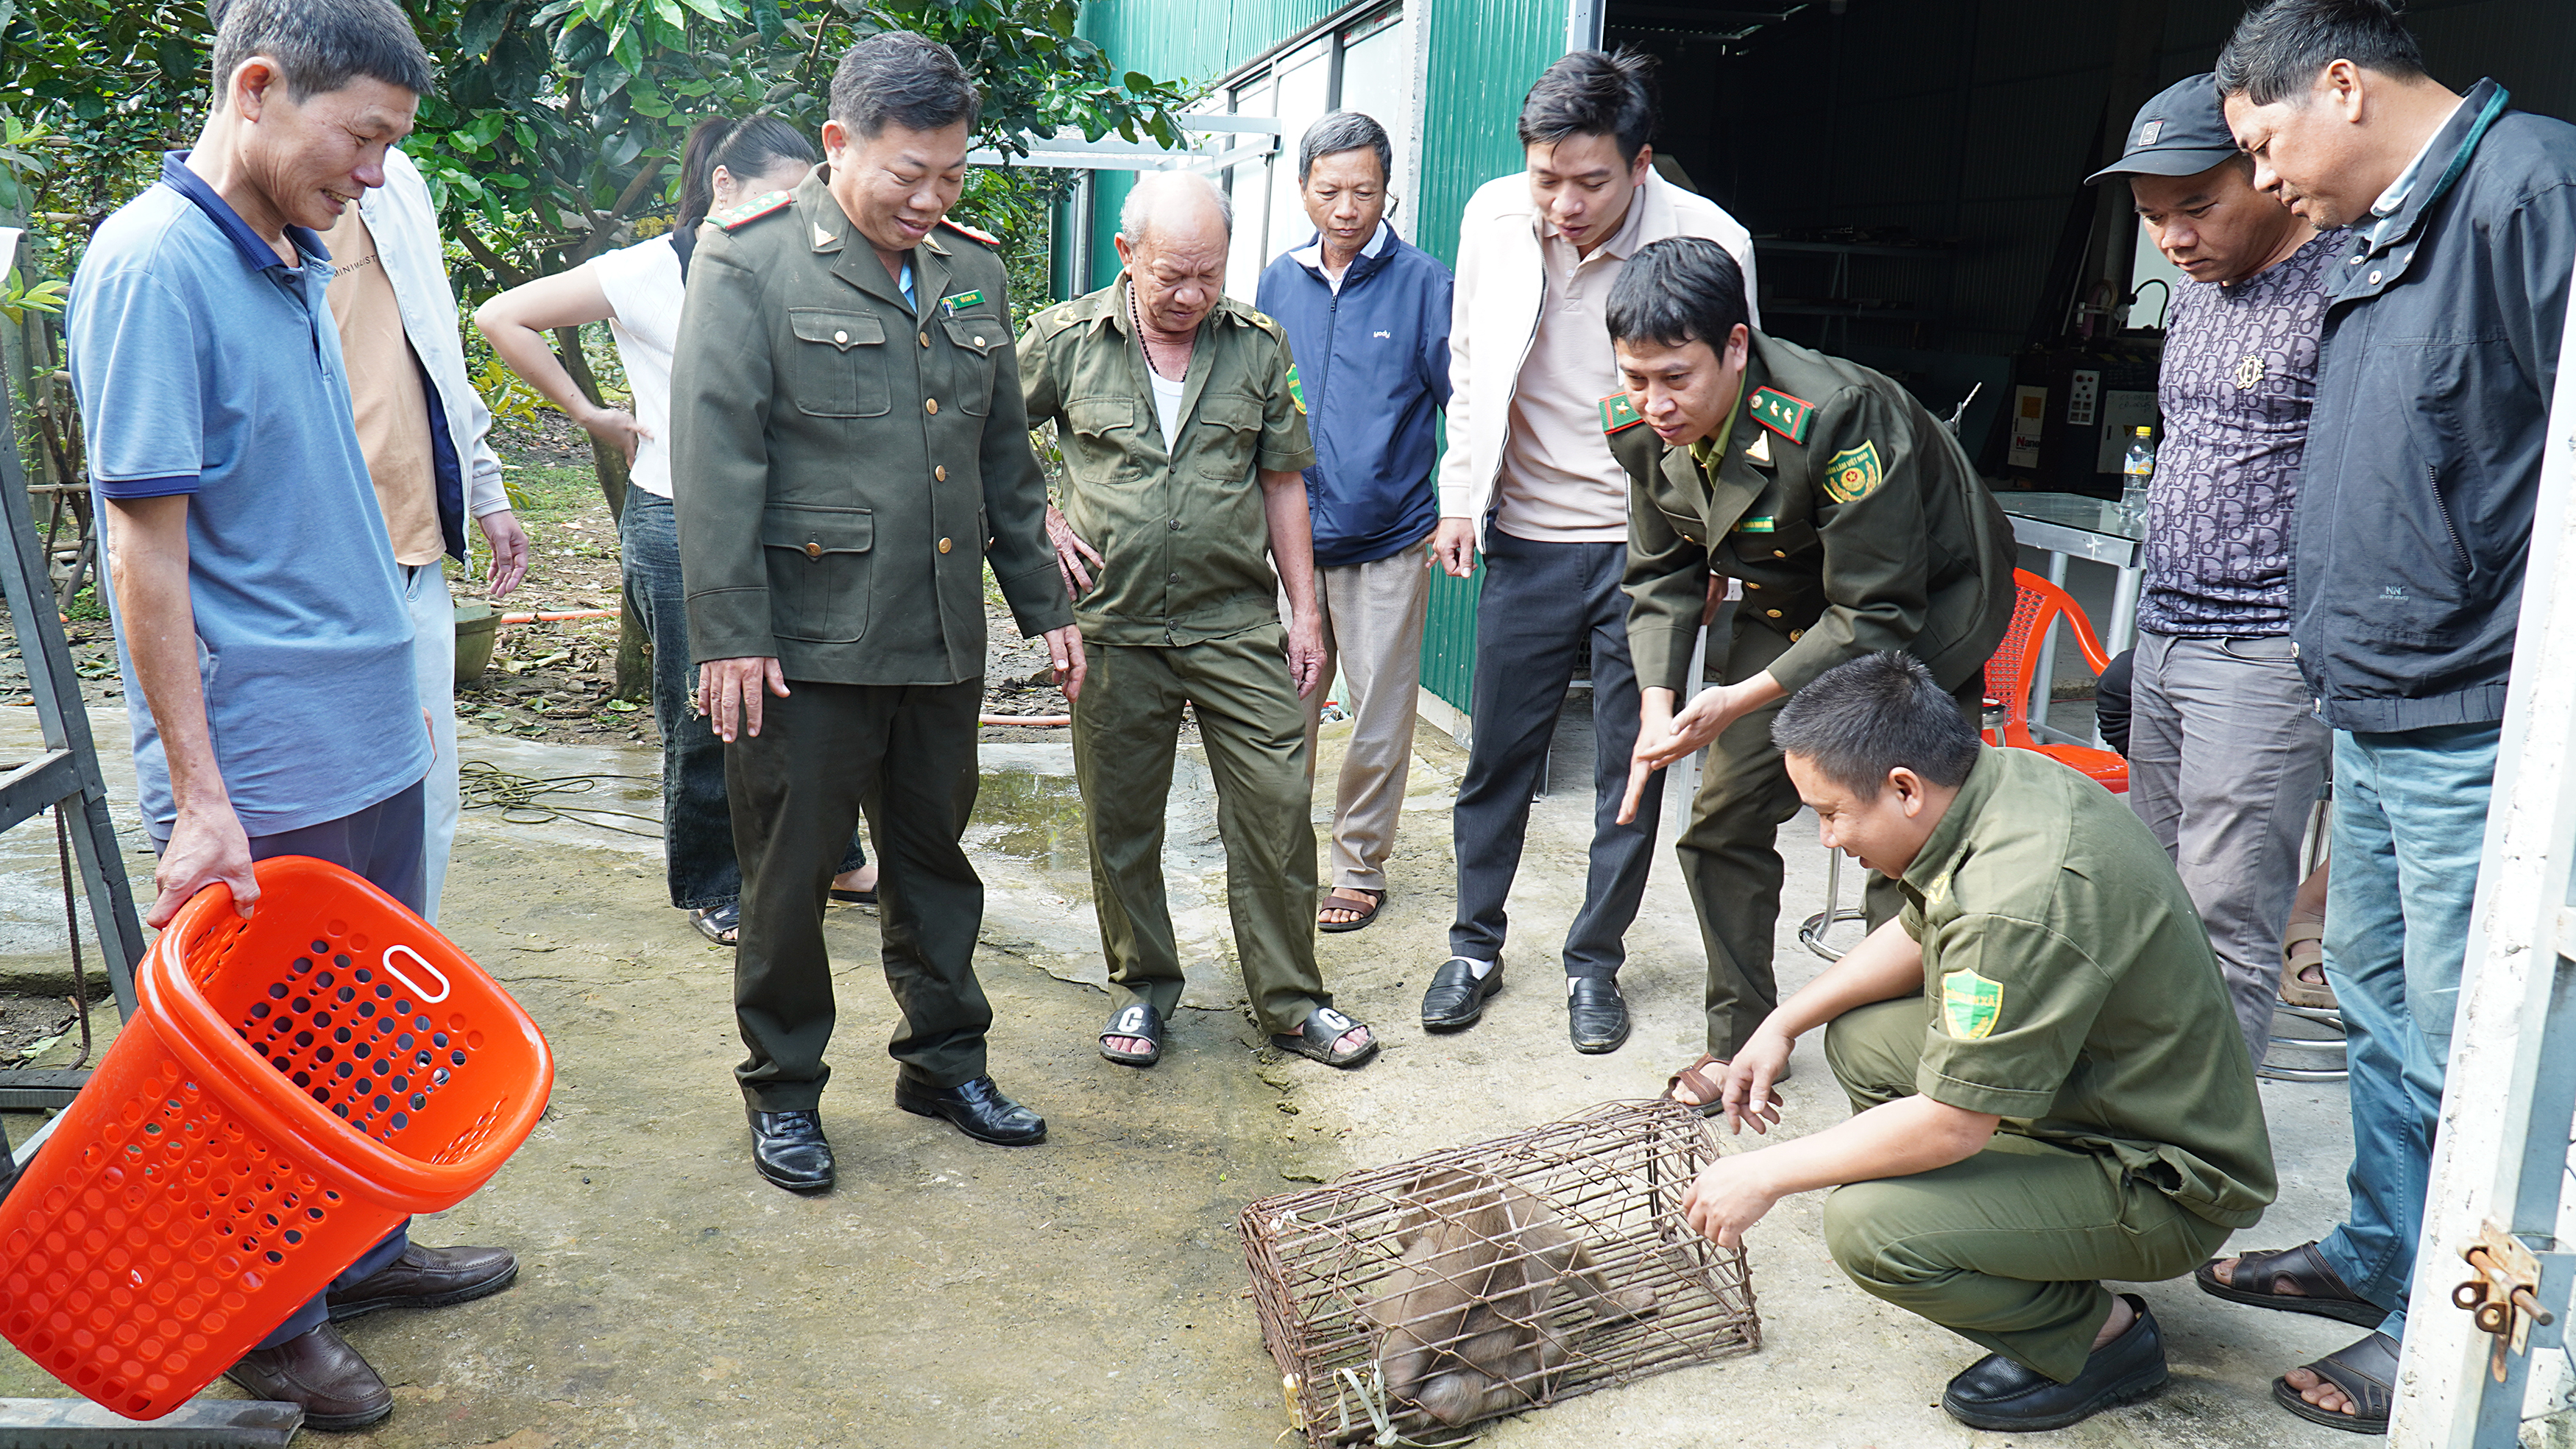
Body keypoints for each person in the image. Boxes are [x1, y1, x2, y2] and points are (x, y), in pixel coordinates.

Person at [65, 0, 517, 1427]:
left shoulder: (287, 250)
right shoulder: (153, 266)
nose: (376, 174)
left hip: (364, 735)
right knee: (262, 1067)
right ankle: (270, 1320)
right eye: (363, 138)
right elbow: (147, 551)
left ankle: (360, 1251)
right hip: (258, 764)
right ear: (258, 89)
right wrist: (201, 797)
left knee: (367, 1047)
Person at [2204, 1, 2576, 1431]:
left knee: (2459, 1035)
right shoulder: (2386, 225)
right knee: (2368, 1001)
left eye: (2262, 141)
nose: (2263, 176)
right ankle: (2376, 1244)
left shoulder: (2528, 193)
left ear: (2343, 85)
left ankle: (2447, 1316)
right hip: (2376, 702)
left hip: (2474, 716)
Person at [670, 32, 1083, 1190]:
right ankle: (786, 1089)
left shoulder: (974, 272)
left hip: (938, 631)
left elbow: (1006, 465)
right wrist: (730, 633)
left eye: (952, 175)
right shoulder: (748, 263)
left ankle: (945, 1063)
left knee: (934, 862)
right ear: (840, 143)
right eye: (910, 173)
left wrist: (1043, 605)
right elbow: (716, 461)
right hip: (800, 644)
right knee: (791, 874)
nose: (932, 197)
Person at [1679, 652, 2274, 1434]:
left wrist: (1761, 1174)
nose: (1824, 838)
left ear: (1902, 787)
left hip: (2164, 1178)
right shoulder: (1996, 784)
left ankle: (2098, 1339)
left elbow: (1951, 1124)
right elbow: (1919, 925)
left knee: (1869, 1226)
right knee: (1860, 1037)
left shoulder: (2014, 898)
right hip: (2107, 1086)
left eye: (1829, 813)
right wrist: (1781, 1021)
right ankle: (2009, 1233)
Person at [1602, 236, 2014, 1104]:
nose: (1654, 403)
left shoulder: (1836, 412)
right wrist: (1658, 707)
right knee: (1720, 819)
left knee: (1894, 838)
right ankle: (1743, 1039)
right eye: (1635, 379)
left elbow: (1874, 614)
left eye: (1675, 377)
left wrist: (1734, 700)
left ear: (1737, 347)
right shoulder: (1640, 426)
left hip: (1923, 612)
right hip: (1794, 603)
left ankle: (1903, 1070)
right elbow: (1660, 573)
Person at [1419, 50, 1761, 1056]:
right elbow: (1472, 360)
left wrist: (1720, 549)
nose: (1564, 203)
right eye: (1546, 177)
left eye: (1592, 181)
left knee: (1634, 762)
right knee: (1499, 756)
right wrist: (1460, 494)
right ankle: (1474, 945)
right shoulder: (1492, 215)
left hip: (1649, 551)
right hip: (1522, 531)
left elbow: (1737, 399)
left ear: (1643, 163)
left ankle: (1593, 961)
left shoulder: (1710, 241)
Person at [477, 117, 877, 947]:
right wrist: (591, 413)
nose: (796, 218)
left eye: (808, 203)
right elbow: (501, 316)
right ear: (722, 188)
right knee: (704, 710)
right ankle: (711, 881)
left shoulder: (808, 264)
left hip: (790, 522)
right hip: (677, 518)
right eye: (779, 200)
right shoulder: (643, 273)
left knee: (811, 694)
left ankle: (837, 856)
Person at [1022, 171, 1376, 1074]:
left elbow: (1282, 478)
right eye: (1171, 275)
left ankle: (1292, 1001)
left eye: (1208, 275)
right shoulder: (1063, 341)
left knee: (1274, 810)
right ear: (1125, 255)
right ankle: (1141, 988)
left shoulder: (1256, 346)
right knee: (1121, 820)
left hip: (1233, 621)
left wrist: (1306, 613)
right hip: (1112, 624)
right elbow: (984, 435)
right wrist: (1039, 518)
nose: (1190, 296)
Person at [2083, 72, 2338, 1066]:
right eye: (2153, 218)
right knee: (2149, 892)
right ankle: (2135, 1108)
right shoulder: (2194, 299)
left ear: (2266, 172)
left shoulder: (2340, 287)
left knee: (2226, 917)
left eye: (2198, 206)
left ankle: (2200, 1166)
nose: (2175, 238)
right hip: (2167, 636)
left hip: (2263, 649)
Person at [300, 130, 529, 927]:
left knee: (426, 800)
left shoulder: (393, 182)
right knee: (321, 826)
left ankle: (396, 998)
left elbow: (435, 347)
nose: (370, 163)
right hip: (315, 580)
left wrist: (485, 485)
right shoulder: (213, 233)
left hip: (412, 549)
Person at [1253, 112, 1453, 935]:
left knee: (1376, 711)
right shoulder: (1277, 281)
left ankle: (1358, 866)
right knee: (1280, 703)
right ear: (1302, 188)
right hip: (1293, 536)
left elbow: (1460, 402)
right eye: (1329, 190)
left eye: (1363, 191)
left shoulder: (1422, 283)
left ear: (1386, 190)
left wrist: (1457, 506)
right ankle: (1274, 854)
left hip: (1387, 537)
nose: (1345, 208)